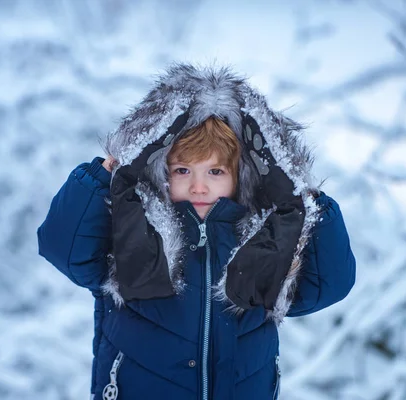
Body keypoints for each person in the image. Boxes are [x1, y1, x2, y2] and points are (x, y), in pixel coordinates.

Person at [37, 64, 356, 400]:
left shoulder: (265, 244)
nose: (199, 186)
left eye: (215, 171)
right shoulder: (134, 228)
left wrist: (301, 195)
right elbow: (64, 248)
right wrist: (108, 171)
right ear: (159, 169)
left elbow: (329, 284)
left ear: (240, 178)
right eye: (183, 169)